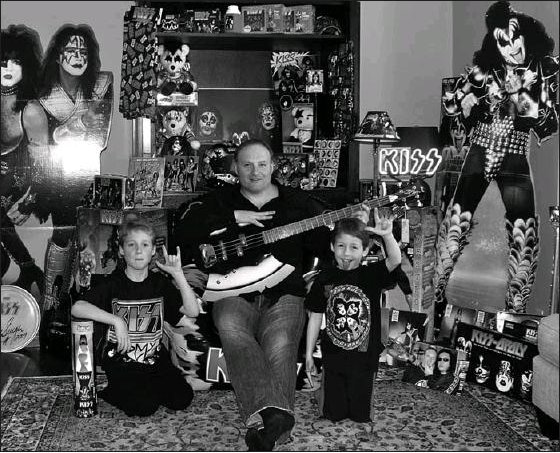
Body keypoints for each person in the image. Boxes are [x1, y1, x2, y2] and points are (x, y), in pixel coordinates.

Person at [174, 139, 339, 450]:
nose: (255, 171)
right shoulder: (219, 201)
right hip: (233, 293)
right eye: (247, 164)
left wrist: (354, 233)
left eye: (262, 164)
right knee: (232, 330)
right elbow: (183, 231)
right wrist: (232, 218)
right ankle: (275, 417)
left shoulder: (297, 203)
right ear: (236, 168)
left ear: (273, 166)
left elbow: (325, 247)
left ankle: (265, 426)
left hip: (285, 293)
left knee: (281, 343)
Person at [433, 1, 559, 328]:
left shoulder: (543, 69)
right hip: (480, 147)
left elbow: (540, 120)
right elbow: (450, 102)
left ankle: (516, 303)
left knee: (523, 229)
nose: (511, 47)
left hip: (515, 152)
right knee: (457, 216)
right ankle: (438, 294)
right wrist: (466, 98)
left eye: (515, 39)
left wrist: (519, 91)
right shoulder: (486, 70)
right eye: (502, 41)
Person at [71, 219, 199, 416]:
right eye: (132, 244)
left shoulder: (160, 284)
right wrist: (116, 320)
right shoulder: (113, 284)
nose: (139, 251)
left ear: (153, 252)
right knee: (144, 407)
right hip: (121, 361)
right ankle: (112, 391)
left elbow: (192, 312)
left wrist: (178, 275)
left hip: (155, 358)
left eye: (145, 245)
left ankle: (147, 385)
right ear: (121, 250)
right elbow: (77, 308)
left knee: (182, 399)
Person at [305, 212, 401, 423]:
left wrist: (387, 236)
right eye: (341, 246)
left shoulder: (371, 275)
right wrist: (309, 353)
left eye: (354, 247)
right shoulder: (325, 277)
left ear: (366, 250)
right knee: (333, 416)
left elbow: (394, 260)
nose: (346, 253)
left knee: (361, 417)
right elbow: (315, 315)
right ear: (332, 246)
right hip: (333, 358)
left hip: (364, 358)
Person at [1, 25, 49, 292]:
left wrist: (31, 200)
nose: (8, 67)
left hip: (17, 175)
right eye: (2, 61)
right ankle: (29, 270)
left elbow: (44, 162)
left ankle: (27, 271)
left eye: (16, 61)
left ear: (27, 66)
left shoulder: (30, 110)